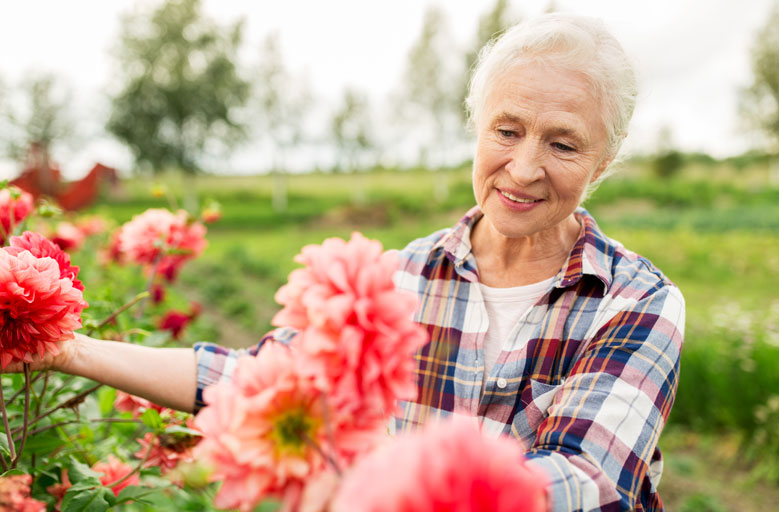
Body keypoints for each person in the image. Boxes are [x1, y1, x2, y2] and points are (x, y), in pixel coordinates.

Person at [9, 13, 684, 511]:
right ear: (477, 128)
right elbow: (260, 378)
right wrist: (70, 350)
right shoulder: (398, 278)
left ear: (604, 160)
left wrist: (372, 485)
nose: (525, 166)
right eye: (506, 131)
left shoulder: (636, 303)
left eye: (562, 144)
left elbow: (582, 478)